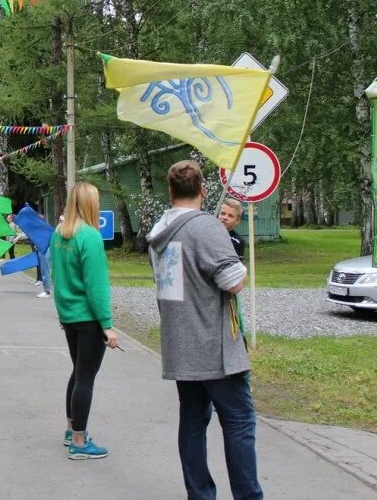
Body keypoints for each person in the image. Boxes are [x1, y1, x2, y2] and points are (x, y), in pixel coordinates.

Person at [147, 161, 261, 500]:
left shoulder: (159, 232)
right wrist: (237, 262)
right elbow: (233, 282)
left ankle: (199, 494)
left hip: (181, 344)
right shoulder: (207, 227)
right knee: (239, 421)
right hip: (215, 348)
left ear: (170, 191)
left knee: (193, 421)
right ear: (203, 190)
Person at [49, 182, 118, 460]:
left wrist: (63, 312)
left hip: (69, 315)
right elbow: (97, 286)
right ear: (91, 203)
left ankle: (71, 429)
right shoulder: (90, 236)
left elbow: (56, 276)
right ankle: (79, 441)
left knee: (78, 372)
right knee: (86, 377)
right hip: (89, 318)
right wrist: (108, 325)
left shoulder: (59, 234)